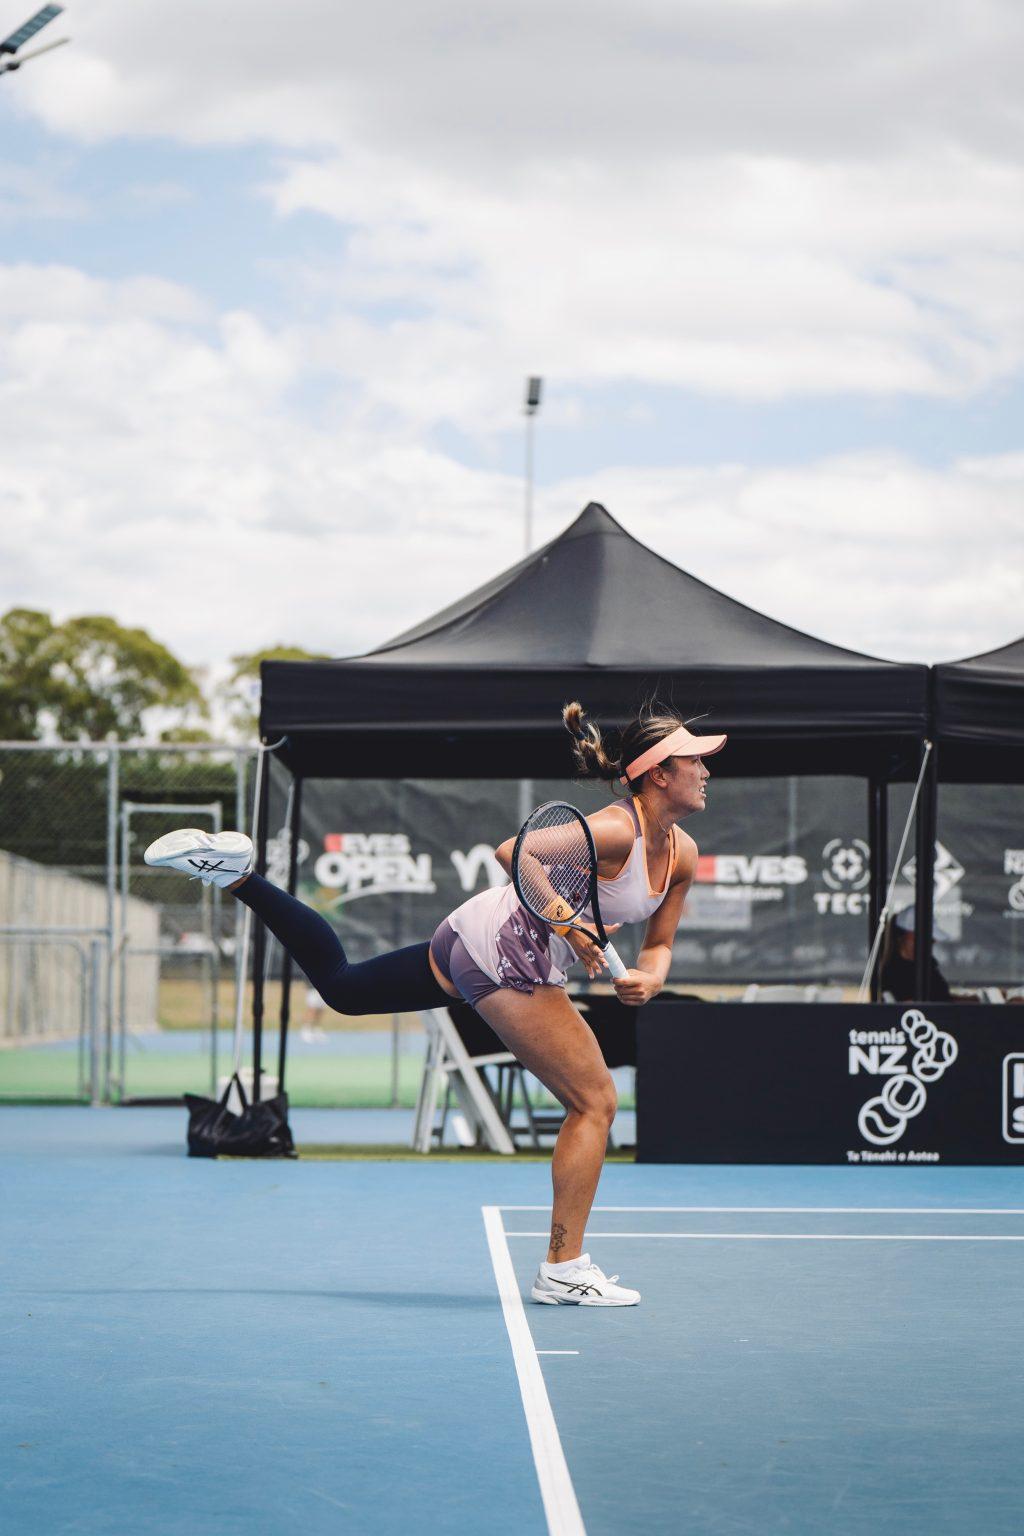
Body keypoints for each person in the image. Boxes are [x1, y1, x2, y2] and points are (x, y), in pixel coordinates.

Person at [145, 700, 725, 1307]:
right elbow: (515, 851)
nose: (707, 771)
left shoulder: (680, 853)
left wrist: (649, 979)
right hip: (506, 949)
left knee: (342, 988)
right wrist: (574, 931)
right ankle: (563, 1266)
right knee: (595, 1101)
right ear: (659, 773)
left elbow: (659, 945)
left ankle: (236, 875)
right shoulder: (615, 830)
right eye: (696, 760)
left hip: (471, 933)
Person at [879, 906, 955, 1002]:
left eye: (930, 940)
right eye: (917, 938)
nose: (927, 944)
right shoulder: (896, 972)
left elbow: (943, 999)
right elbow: (913, 1009)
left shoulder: (925, 967)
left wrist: (974, 1001)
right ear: (901, 937)